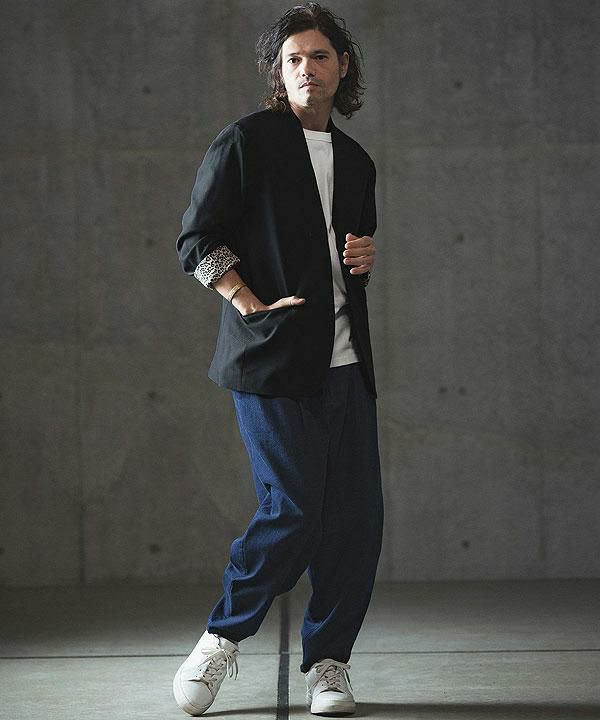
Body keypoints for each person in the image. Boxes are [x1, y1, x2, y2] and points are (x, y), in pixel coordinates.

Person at [173, 3, 384, 716]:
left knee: (355, 521)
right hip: (271, 359)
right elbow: (196, 240)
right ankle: (220, 639)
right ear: (277, 70)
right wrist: (246, 301)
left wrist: (362, 257)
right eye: (293, 59)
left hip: (347, 363)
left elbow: (346, 254)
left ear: (342, 66)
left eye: (319, 56)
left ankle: (328, 663)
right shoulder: (248, 141)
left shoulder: (356, 160)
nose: (306, 69)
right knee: (292, 510)